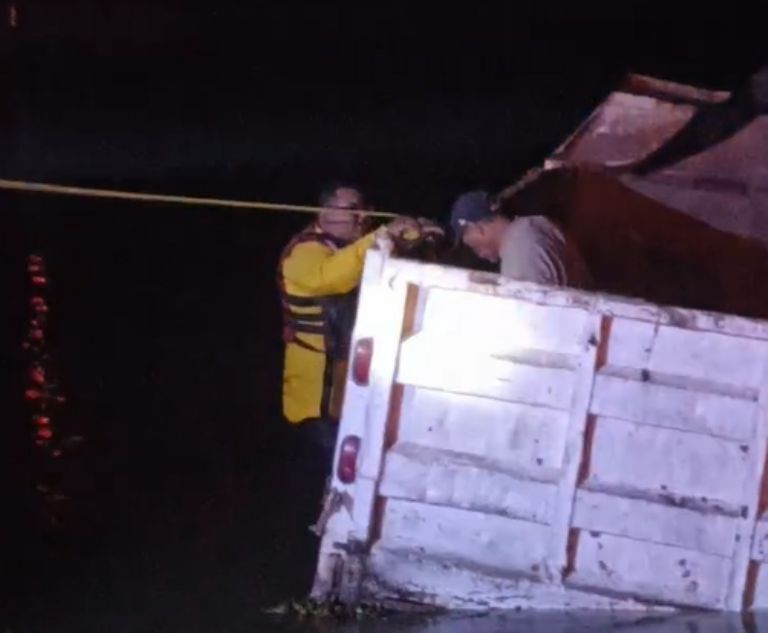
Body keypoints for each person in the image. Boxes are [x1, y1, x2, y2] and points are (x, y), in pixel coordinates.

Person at [277, 183, 417, 460]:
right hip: (317, 401)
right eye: (353, 210)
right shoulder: (302, 253)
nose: (362, 216)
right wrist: (382, 236)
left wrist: (415, 233)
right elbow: (333, 276)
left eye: (365, 209)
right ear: (325, 211)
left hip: (354, 388)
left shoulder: (353, 246)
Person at [449, 189, 592, 288]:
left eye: (472, 245)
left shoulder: (519, 249)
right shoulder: (535, 225)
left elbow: (529, 318)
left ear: (477, 229)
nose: (477, 253)